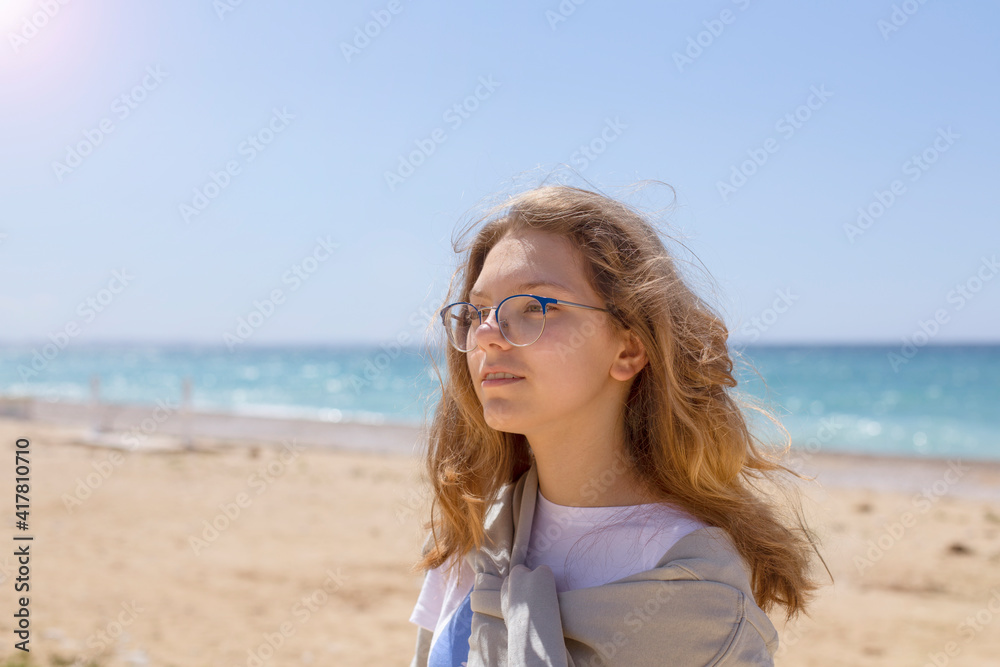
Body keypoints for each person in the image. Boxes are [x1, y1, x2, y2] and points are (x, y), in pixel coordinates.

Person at [407, 183, 824, 666]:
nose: (486, 335)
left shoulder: (695, 598)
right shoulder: (477, 533)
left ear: (628, 348)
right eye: (479, 311)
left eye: (536, 307)